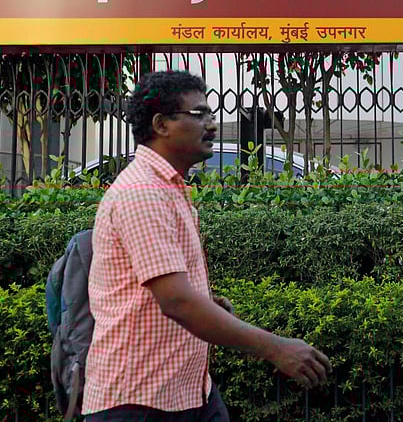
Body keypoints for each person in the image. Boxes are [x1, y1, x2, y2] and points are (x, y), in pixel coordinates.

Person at [84, 71, 331, 421]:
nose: (212, 125)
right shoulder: (142, 193)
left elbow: (169, 291)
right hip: (139, 400)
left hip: (188, 392)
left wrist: (204, 300)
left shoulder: (169, 188)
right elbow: (176, 301)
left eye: (211, 114)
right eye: (199, 114)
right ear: (161, 124)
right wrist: (275, 348)